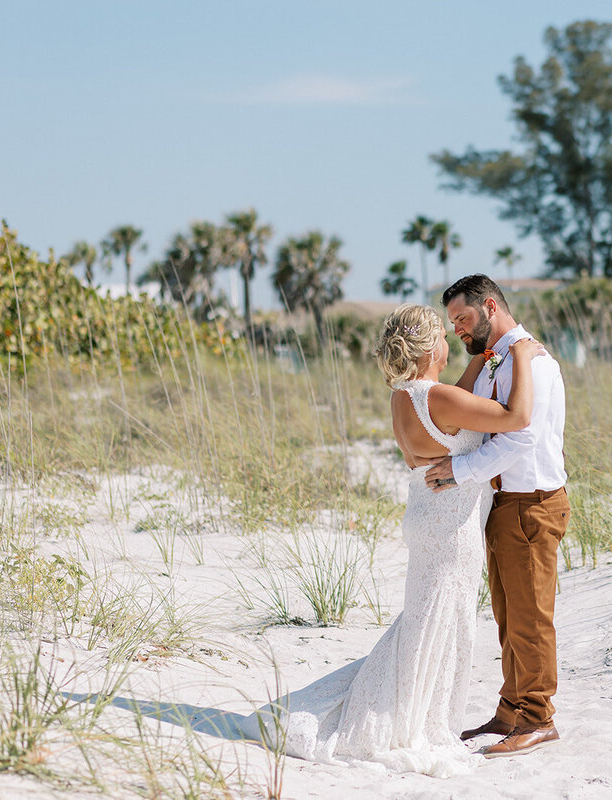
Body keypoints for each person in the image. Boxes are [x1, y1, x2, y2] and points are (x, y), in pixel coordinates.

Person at [239, 303, 540, 777]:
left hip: (426, 519)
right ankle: (417, 723)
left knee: (424, 624)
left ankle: (412, 710)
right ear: (429, 349)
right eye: (442, 335)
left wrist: (482, 359)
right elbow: (517, 416)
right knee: (442, 625)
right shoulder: (440, 398)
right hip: (449, 530)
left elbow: (453, 405)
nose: (448, 341)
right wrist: (519, 348)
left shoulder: (407, 396)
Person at [424, 274, 570, 759]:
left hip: (532, 502)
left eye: (463, 319)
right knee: (507, 616)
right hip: (503, 504)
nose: (459, 331)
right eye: (454, 324)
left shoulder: (533, 361)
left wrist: (458, 471)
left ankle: (538, 717)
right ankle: (510, 708)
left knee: (530, 617)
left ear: (489, 306)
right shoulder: (493, 361)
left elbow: (520, 435)